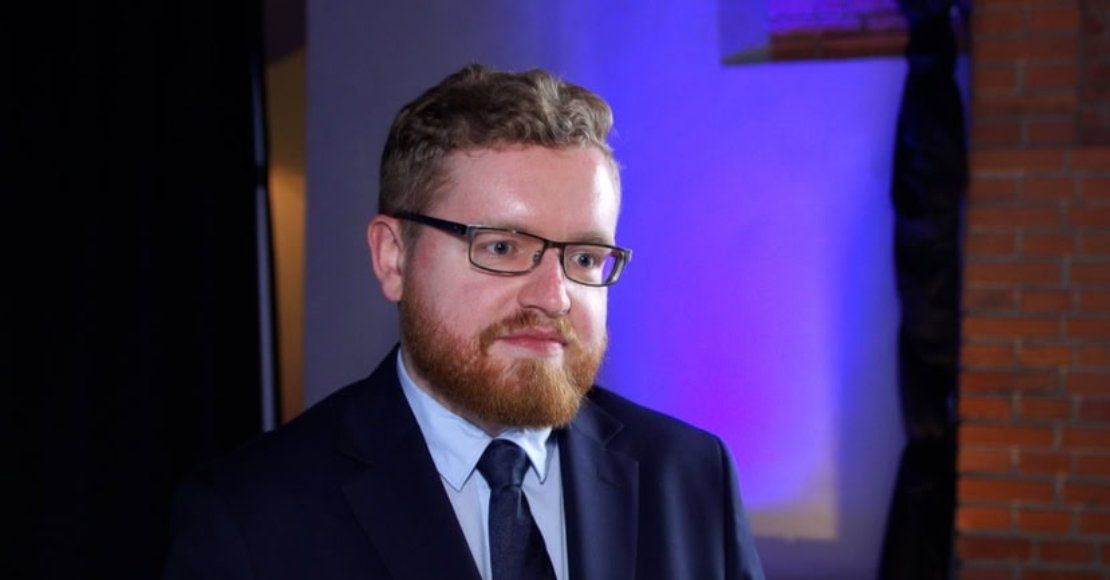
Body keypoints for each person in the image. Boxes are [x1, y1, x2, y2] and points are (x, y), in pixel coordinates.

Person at [164, 64, 764, 580]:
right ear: (393, 258)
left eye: (584, 258)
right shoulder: (250, 518)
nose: (554, 297)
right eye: (502, 247)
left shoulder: (690, 478)